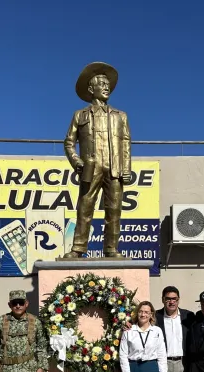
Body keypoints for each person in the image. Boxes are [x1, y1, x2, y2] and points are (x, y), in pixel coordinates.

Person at [63, 62, 131, 258]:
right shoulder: (80, 115)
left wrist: (127, 168)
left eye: (108, 84)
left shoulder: (121, 116)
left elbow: (126, 143)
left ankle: (111, 249)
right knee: (84, 208)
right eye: (102, 83)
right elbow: (69, 142)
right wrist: (77, 162)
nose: (106, 86)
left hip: (115, 168)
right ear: (91, 89)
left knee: (114, 211)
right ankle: (78, 248)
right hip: (90, 168)